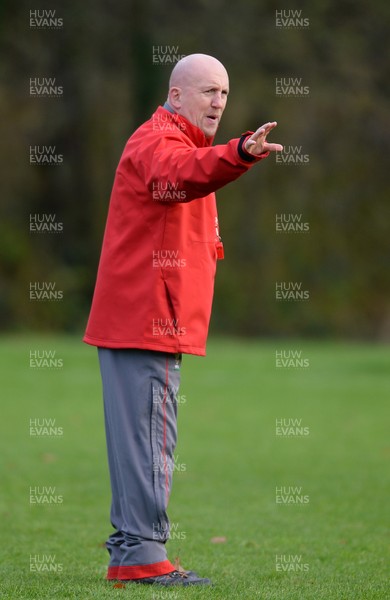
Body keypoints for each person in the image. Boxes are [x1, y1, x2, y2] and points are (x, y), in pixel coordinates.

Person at [84, 53, 282, 587]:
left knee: (141, 440)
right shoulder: (159, 144)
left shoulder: (181, 143)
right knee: (151, 437)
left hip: (144, 321)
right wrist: (241, 151)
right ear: (176, 96)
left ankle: (132, 549)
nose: (218, 101)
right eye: (207, 91)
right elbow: (182, 175)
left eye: (224, 92)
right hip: (147, 320)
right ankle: (144, 557)